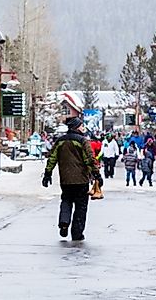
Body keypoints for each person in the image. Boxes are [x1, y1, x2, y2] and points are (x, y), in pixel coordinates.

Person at [42, 94, 101, 241]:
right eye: (81, 126)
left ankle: (64, 222)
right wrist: (97, 174)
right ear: (76, 127)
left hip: (65, 180)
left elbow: (52, 158)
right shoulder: (82, 141)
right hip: (81, 180)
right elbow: (90, 159)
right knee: (81, 207)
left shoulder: (60, 141)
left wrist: (47, 174)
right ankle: (77, 233)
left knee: (66, 201)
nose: (83, 128)